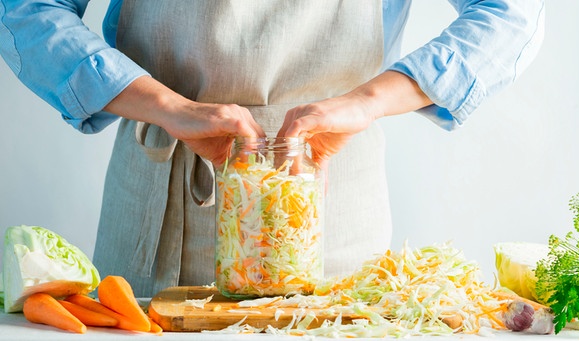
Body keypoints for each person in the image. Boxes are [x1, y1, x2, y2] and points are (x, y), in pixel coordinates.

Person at [0, 0, 545, 297]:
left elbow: (513, 12)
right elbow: (26, 9)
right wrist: (165, 105)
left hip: (332, 196)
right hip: (156, 206)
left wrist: (369, 100)